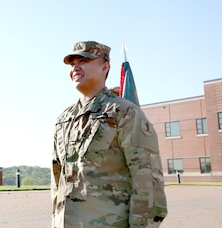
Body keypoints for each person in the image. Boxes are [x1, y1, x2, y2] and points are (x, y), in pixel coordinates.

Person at [51, 41, 167, 227]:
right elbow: (58, 181)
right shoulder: (64, 119)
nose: (76, 67)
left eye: (84, 60)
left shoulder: (125, 113)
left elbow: (147, 181)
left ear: (105, 67)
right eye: (72, 63)